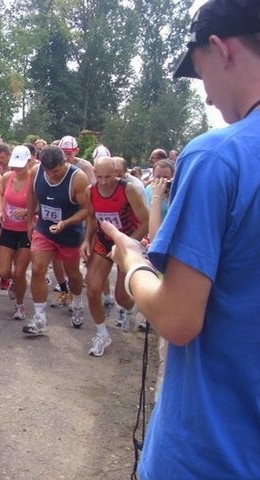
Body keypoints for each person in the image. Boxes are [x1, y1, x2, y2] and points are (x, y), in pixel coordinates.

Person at [103, 2, 260, 477]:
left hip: (211, 451)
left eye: (200, 73)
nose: (208, 98)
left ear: (220, 49)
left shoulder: (219, 157)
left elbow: (178, 319)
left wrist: (132, 263)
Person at [81, 156, 148, 356]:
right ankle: (102, 334)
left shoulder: (128, 189)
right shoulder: (90, 190)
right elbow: (92, 217)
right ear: (93, 173)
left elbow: (145, 222)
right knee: (92, 290)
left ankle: (130, 309)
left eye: (108, 177)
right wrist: (86, 240)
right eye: (99, 177)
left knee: (121, 295)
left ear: (116, 173)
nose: (103, 181)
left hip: (127, 241)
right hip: (103, 241)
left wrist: (127, 243)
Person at [24, 145, 90, 334]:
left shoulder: (78, 178)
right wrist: (29, 221)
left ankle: (77, 302)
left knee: (73, 274)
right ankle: (40, 317)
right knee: (37, 269)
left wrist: (66, 223)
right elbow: (31, 195)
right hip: (44, 228)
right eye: (49, 172)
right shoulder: (36, 173)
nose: (52, 175)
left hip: (70, 231)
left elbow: (87, 209)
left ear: (65, 162)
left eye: (57, 171)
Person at [0, 145, 33, 320]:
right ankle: (16, 284)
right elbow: (1, 194)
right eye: (14, 165)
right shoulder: (6, 177)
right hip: (9, 228)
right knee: (3, 272)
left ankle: (19, 305)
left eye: (21, 165)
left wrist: (27, 212)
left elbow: (41, 203)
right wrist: (1, 211)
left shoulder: (35, 180)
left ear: (29, 162)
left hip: (27, 231)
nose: (17, 169)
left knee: (19, 273)